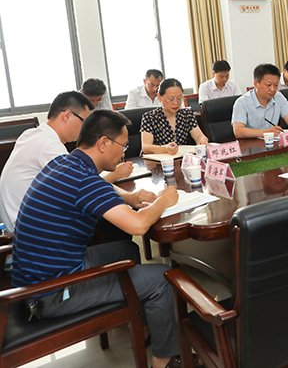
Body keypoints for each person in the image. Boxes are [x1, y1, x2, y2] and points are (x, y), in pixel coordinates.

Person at [11, 110, 188, 368]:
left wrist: (129, 199)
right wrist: (164, 200)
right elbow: (138, 225)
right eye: (123, 146)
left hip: (37, 278)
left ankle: (142, 325)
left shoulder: (65, 164)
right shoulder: (84, 179)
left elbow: (98, 193)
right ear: (103, 143)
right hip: (50, 294)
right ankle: (164, 359)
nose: (124, 153)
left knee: (126, 249)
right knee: (162, 278)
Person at [0, 92, 135, 232]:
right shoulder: (49, 145)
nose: (87, 130)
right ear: (67, 116)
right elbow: (85, 186)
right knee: (109, 223)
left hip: (17, 221)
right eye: (84, 122)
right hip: (30, 230)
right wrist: (118, 178)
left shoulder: (32, 134)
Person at [141, 78, 208, 155]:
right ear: (159, 97)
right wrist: (165, 149)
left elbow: (199, 136)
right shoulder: (150, 117)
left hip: (179, 157)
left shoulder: (186, 114)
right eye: (171, 99)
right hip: (157, 159)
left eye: (179, 98)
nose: (176, 103)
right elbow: (146, 147)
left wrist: (202, 140)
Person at [232, 63, 288, 138]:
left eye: (276, 85)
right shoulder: (242, 102)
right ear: (256, 84)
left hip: (274, 142)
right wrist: (266, 132)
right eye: (268, 85)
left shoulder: (279, 97)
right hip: (252, 143)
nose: (273, 89)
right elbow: (238, 131)